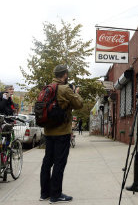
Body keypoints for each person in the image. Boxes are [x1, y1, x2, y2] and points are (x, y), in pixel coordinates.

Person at [40, 64, 83, 203]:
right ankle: (55, 195)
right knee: (59, 163)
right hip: (62, 132)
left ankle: (44, 193)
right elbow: (79, 104)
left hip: (48, 131)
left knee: (47, 162)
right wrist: (75, 92)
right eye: (67, 73)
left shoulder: (47, 88)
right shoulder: (65, 89)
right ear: (64, 75)